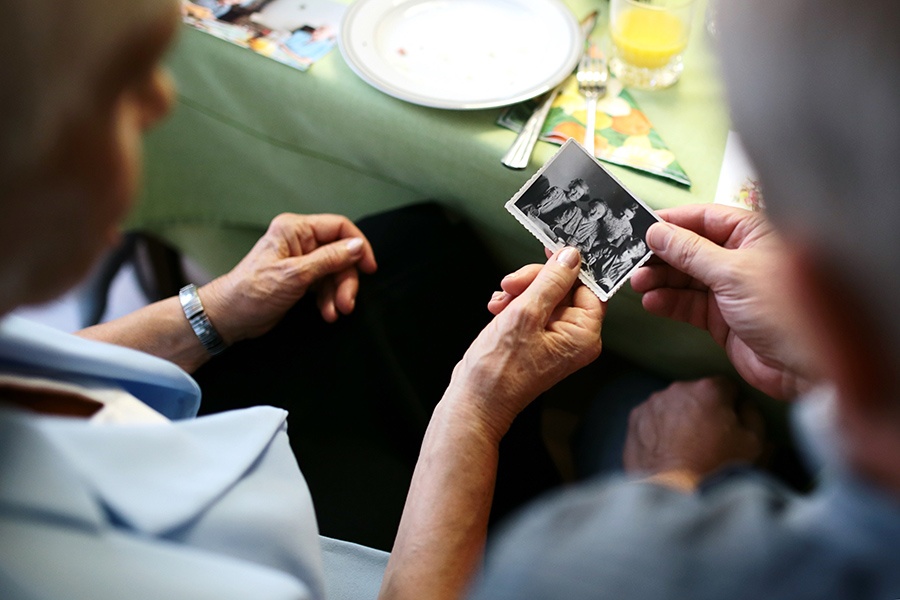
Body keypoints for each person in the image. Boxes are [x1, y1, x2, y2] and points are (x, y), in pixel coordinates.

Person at [0, 0, 604, 597]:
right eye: (117, 85)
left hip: (202, 459)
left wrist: (212, 311)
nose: (162, 101)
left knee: (414, 253)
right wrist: (475, 414)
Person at [452, 0, 900, 597]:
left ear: (811, 298)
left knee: (621, 407)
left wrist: (667, 480)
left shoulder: (562, 569)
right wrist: (820, 370)